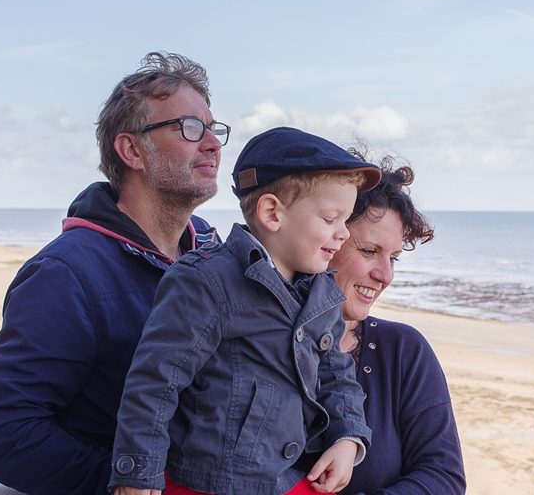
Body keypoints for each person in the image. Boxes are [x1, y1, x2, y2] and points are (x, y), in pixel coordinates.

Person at [0, 52, 228, 495]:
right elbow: (3, 431)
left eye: (213, 128)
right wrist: (129, 481)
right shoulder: (67, 273)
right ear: (131, 150)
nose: (212, 144)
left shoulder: (212, 251)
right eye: (189, 127)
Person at [110, 127, 378, 495]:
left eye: (346, 221)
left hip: (283, 478)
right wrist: (137, 476)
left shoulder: (322, 293)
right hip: (207, 484)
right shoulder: (205, 281)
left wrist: (348, 438)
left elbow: (335, 375)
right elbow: (155, 382)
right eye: (331, 219)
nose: (344, 233)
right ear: (272, 213)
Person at [328, 152, 466, 495]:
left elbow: (444, 477)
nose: (385, 275)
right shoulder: (259, 340)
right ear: (324, 238)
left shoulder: (403, 349)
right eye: (369, 251)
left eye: (393, 259)